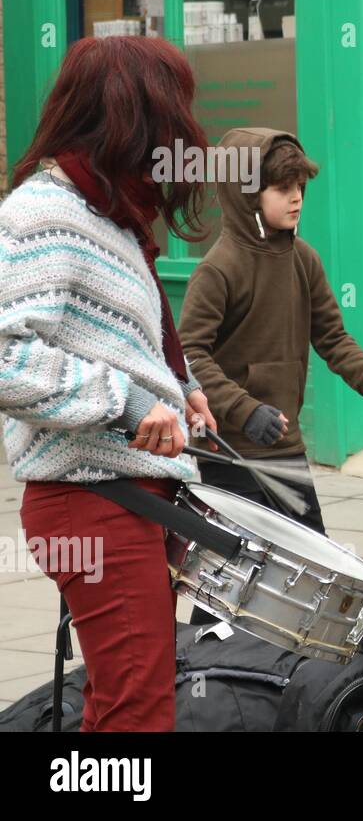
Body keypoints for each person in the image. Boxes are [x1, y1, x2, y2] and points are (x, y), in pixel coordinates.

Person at [0, 36, 218, 731]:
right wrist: (125, 404)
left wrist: (179, 386)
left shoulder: (104, 214)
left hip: (129, 494)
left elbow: (115, 333)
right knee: (137, 714)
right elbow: (5, 355)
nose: (184, 127)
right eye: (174, 109)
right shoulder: (44, 215)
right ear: (135, 116)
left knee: (126, 704)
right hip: (92, 502)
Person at [180, 127, 363, 535]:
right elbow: (190, 355)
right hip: (230, 453)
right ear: (247, 194)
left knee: (314, 570)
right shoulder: (218, 269)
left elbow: (332, 336)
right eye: (282, 188)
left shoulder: (304, 259)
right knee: (235, 579)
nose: (296, 196)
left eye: (299, 186)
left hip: (286, 447)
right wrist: (245, 411)